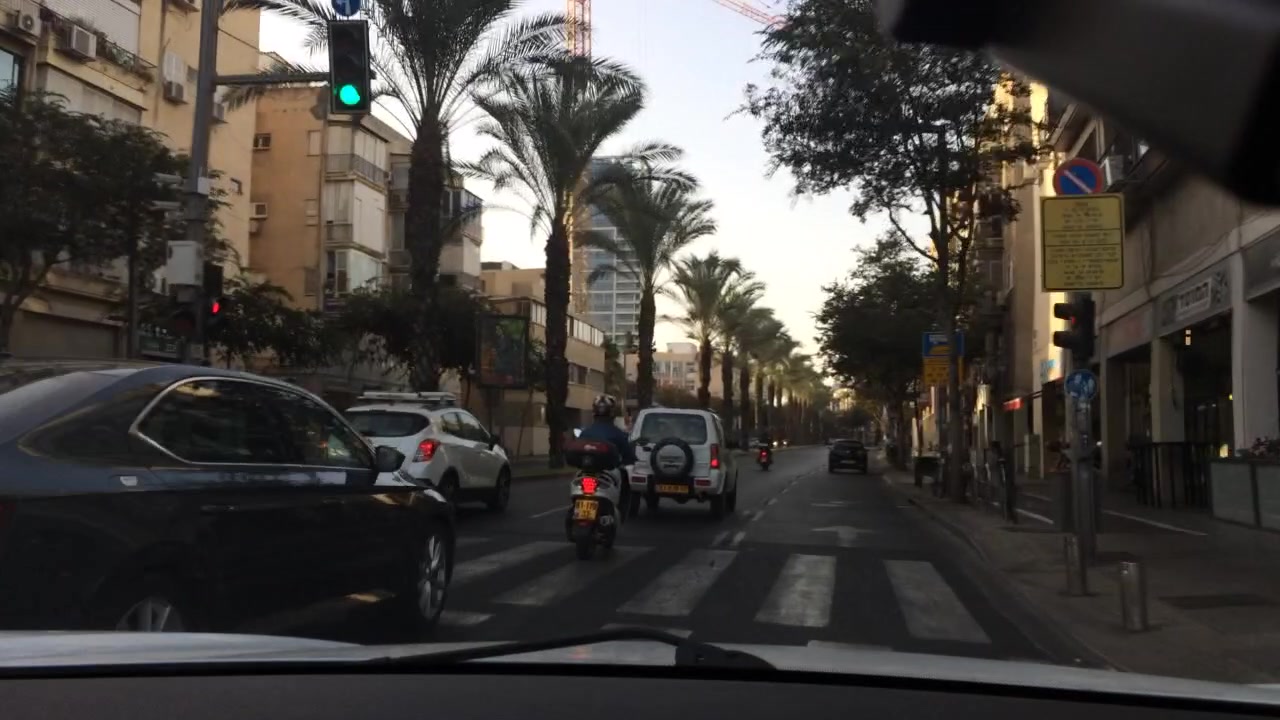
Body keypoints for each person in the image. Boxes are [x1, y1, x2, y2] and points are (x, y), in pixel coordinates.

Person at [578, 394, 636, 516]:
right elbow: (628, 455)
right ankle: (621, 512)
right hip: (609, 473)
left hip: (586, 471)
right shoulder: (618, 434)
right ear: (612, 413)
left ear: (594, 412)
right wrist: (631, 459)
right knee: (624, 478)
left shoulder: (585, 433)